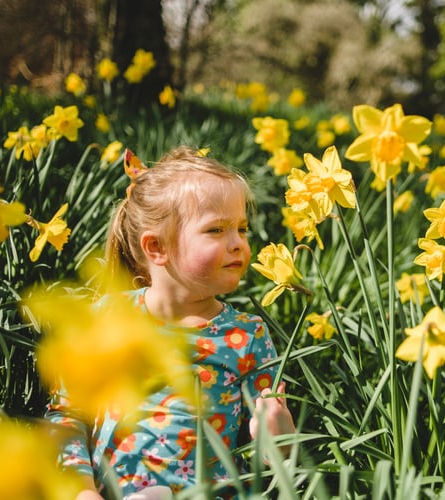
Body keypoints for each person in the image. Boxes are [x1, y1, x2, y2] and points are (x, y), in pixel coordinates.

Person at [45, 146, 296, 499]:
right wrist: (81, 492)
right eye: (216, 230)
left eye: (241, 228)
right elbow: (68, 414)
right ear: (157, 248)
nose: (238, 243)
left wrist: (280, 438)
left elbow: (271, 457)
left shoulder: (247, 333)